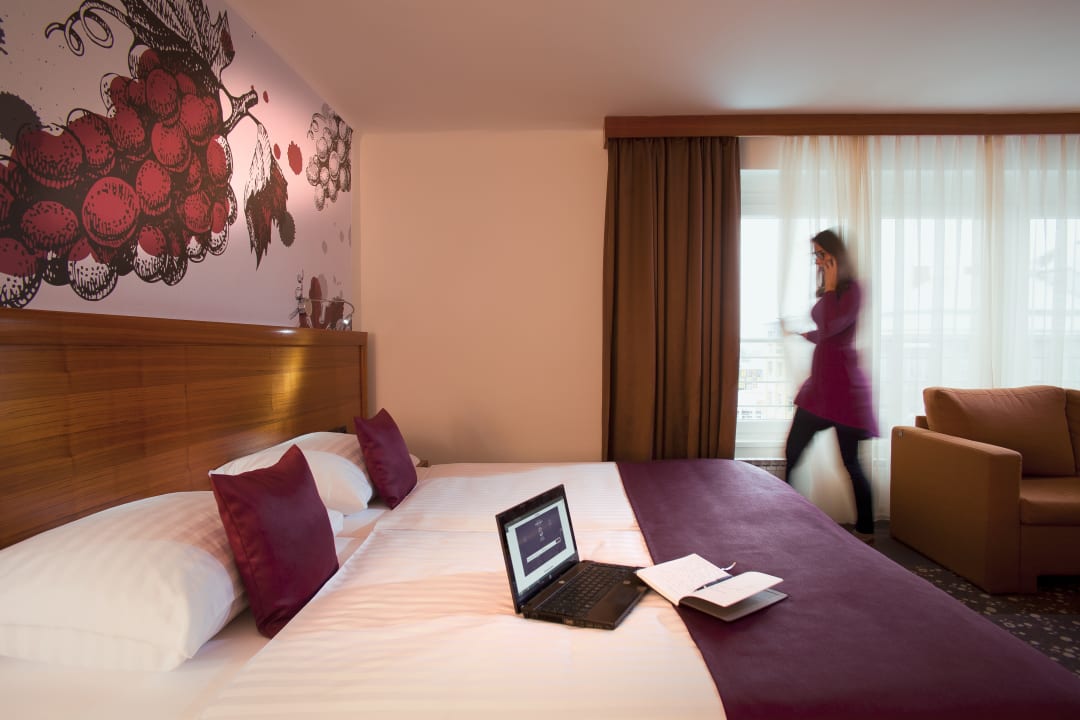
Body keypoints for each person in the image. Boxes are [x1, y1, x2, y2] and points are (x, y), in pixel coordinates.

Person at [781, 229, 878, 543]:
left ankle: (867, 531)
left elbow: (833, 325)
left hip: (844, 392)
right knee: (792, 453)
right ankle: (785, 518)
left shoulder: (855, 290)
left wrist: (833, 287)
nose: (818, 261)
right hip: (820, 390)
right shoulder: (832, 292)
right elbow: (826, 332)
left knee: (851, 463)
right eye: (816, 255)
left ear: (836, 255)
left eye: (822, 255)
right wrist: (802, 334)